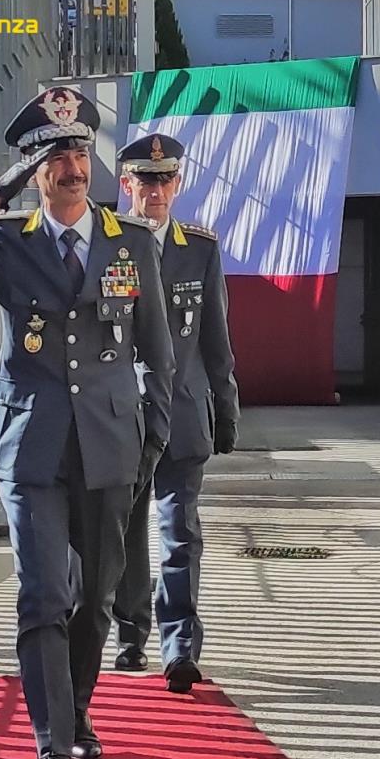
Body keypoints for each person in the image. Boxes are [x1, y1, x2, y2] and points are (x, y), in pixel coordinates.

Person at [0, 87, 173, 759]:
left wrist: (153, 438)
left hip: (109, 444)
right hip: (31, 444)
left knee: (93, 601)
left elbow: (157, 349)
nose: (72, 166)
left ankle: (77, 710)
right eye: (56, 155)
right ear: (36, 170)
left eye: (80, 151)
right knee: (42, 595)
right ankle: (51, 750)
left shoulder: (129, 242)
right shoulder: (8, 240)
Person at [110, 132, 239, 693]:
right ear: (127, 184)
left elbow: (215, 337)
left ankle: (180, 645)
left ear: (178, 184)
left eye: (165, 180)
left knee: (180, 529)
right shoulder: (110, 245)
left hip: (184, 411)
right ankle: (131, 632)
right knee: (126, 529)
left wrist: (226, 408)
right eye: (146, 180)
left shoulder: (200, 249)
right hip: (125, 414)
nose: (156, 191)